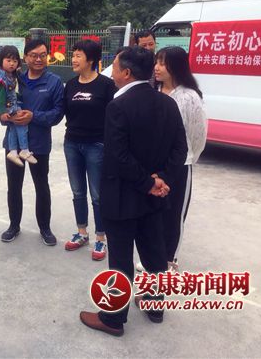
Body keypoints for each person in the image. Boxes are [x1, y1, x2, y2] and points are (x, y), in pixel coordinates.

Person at [79, 46, 187, 337]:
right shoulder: (167, 103)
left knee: (121, 260)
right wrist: (161, 179)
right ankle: (155, 306)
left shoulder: (118, 106)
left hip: (122, 197)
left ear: (126, 73)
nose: (111, 71)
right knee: (154, 254)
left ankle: (113, 319)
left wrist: (148, 183)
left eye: (114, 66)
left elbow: (118, 156)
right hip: (154, 198)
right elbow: (180, 149)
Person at [0, 39, 64, 245]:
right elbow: (2, 102)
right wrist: (5, 117)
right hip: (14, 144)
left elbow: (58, 113)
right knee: (14, 186)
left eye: (43, 55)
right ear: (25, 58)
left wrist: (33, 116)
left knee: (41, 185)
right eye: (34, 55)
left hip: (38, 144)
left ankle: (45, 228)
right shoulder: (15, 79)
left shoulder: (54, 82)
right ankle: (13, 226)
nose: (39, 59)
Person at [154, 46, 207, 271]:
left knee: (174, 214)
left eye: (162, 63)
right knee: (154, 213)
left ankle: (169, 260)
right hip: (155, 164)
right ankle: (154, 256)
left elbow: (197, 134)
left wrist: (188, 158)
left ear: (176, 66)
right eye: (156, 62)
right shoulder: (153, 91)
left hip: (180, 165)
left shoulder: (189, 97)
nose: (157, 68)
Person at [62, 40, 116, 260]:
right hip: (72, 143)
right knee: (77, 191)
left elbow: (114, 117)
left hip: (96, 145)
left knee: (97, 195)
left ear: (91, 60)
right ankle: (81, 232)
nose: (73, 59)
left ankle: (101, 238)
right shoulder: (70, 85)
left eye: (78, 56)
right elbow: (63, 112)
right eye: (73, 55)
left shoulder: (106, 85)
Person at [0, 45, 37, 167]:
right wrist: (2, 112)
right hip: (10, 107)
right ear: (1, 61)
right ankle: (24, 149)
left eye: (15, 61)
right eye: (8, 60)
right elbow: (1, 97)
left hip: (12, 105)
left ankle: (13, 151)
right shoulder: (2, 79)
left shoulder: (12, 75)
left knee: (13, 127)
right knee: (22, 124)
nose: (12, 64)